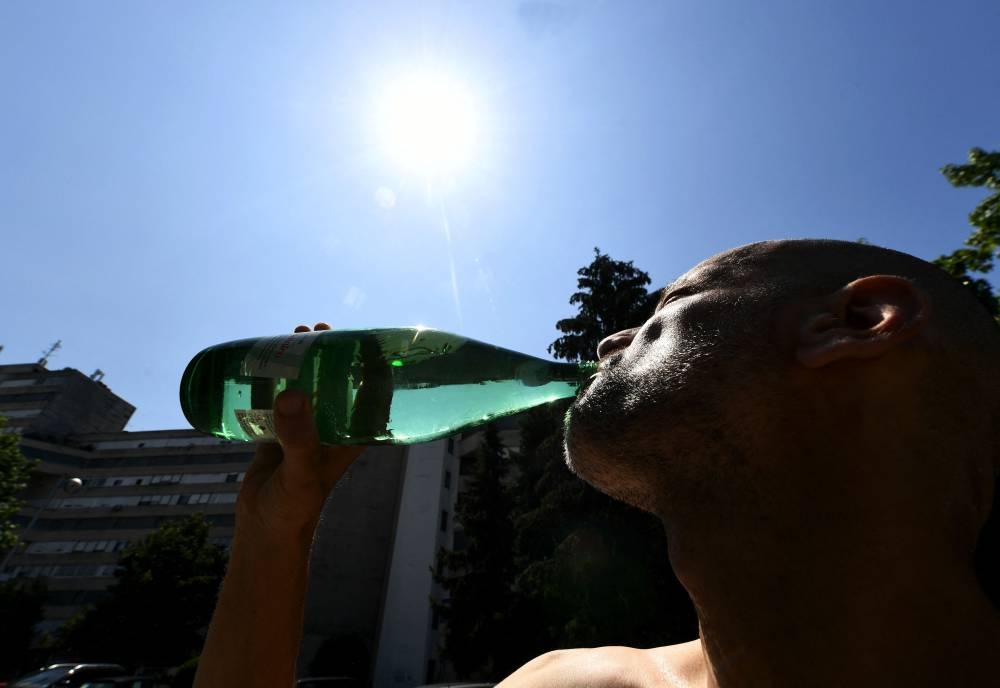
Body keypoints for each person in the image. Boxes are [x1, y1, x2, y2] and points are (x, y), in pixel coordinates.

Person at [194, 239, 1000, 688]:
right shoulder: (574, 684)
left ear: (859, 320)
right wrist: (275, 534)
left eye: (671, 306)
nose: (612, 341)